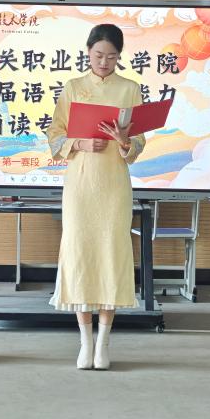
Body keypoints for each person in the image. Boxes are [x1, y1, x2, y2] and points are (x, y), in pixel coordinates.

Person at [46, 23, 145, 370]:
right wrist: (80, 143)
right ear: (88, 52)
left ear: (119, 57)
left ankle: (104, 341)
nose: (104, 62)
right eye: (99, 55)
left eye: (112, 57)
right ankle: (84, 341)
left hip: (114, 184)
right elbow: (55, 136)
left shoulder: (130, 89)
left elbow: (139, 143)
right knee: (80, 253)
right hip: (81, 184)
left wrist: (124, 141)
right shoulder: (73, 87)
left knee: (110, 254)